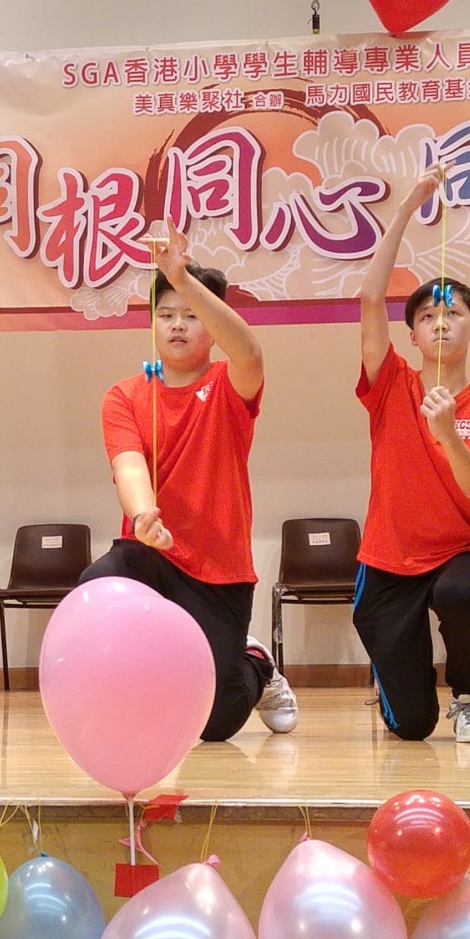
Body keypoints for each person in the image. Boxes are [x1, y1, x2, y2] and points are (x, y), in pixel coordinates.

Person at [75, 228, 296, 741]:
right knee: (96, 584)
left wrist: (181, 277)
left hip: (218, 571)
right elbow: (128, 464)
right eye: (166, 314)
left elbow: (250, 352)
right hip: (151, 554)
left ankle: (257, 665)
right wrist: (143, 515)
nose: (177, 324)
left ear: (212, 326)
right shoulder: (124, 395)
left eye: (192, 315)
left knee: (216, 723)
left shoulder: (227, 385)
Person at [351, 165, 470, 744]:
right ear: (413, 335)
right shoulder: (390, 382)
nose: (440, 323)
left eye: (453, 313)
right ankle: (402, 688)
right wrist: (408, 206)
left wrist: (448, 432)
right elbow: (370, 296)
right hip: (389, 557)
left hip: (460, 550)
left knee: (460, 593)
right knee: (412, 727)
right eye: (427, 316)